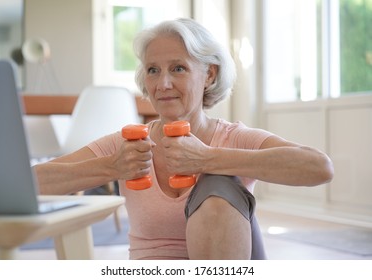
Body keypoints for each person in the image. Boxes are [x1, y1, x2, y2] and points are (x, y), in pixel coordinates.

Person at [34, 18, 334, 260]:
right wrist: (112, 167)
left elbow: (319, 167)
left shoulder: (232, 137)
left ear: (209, 76)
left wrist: (208, 159)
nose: (163, 84)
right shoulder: (127, 147)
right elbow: (31, 183)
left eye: (178, 68)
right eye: (153, 70)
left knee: (218, 185)